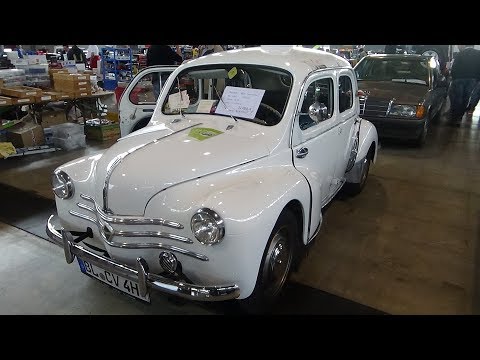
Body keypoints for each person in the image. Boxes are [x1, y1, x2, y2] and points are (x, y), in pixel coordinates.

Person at [448, 45, 480, 124]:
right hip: (472, 79)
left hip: (459, 78)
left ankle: (454, 117)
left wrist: (453, 77)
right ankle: (459, 117)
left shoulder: (460, 54)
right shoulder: (478, 54)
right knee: (466, 98)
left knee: (458, 97)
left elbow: (454, 67)